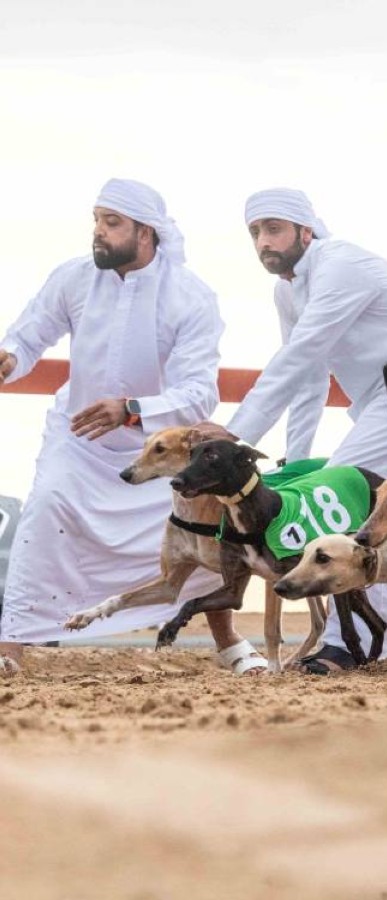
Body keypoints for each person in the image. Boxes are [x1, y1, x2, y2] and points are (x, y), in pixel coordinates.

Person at [228, 188, 387, 672]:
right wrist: (298, 459)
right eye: (255, 232)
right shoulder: (287, 290)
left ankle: (350, 643)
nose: (263, 242)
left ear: (305, 231)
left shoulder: (339, 264)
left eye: (274, 229)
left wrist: (233, 439)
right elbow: (309, 378)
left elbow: (299, 356)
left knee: (342, 500)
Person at [0, 179, 227, 673]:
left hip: (157, 452)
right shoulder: (74, 277)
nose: (98, 232)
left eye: (112, 222)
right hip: (78, 440)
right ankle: (10, 647)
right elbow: (29, 334)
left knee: (199, 534)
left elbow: (198, 392)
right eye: (97, 221)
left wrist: (131, 410)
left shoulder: (190, 296)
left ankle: (229, 644)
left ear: (145, 232)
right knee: (45, 511)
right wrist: (11, 358)